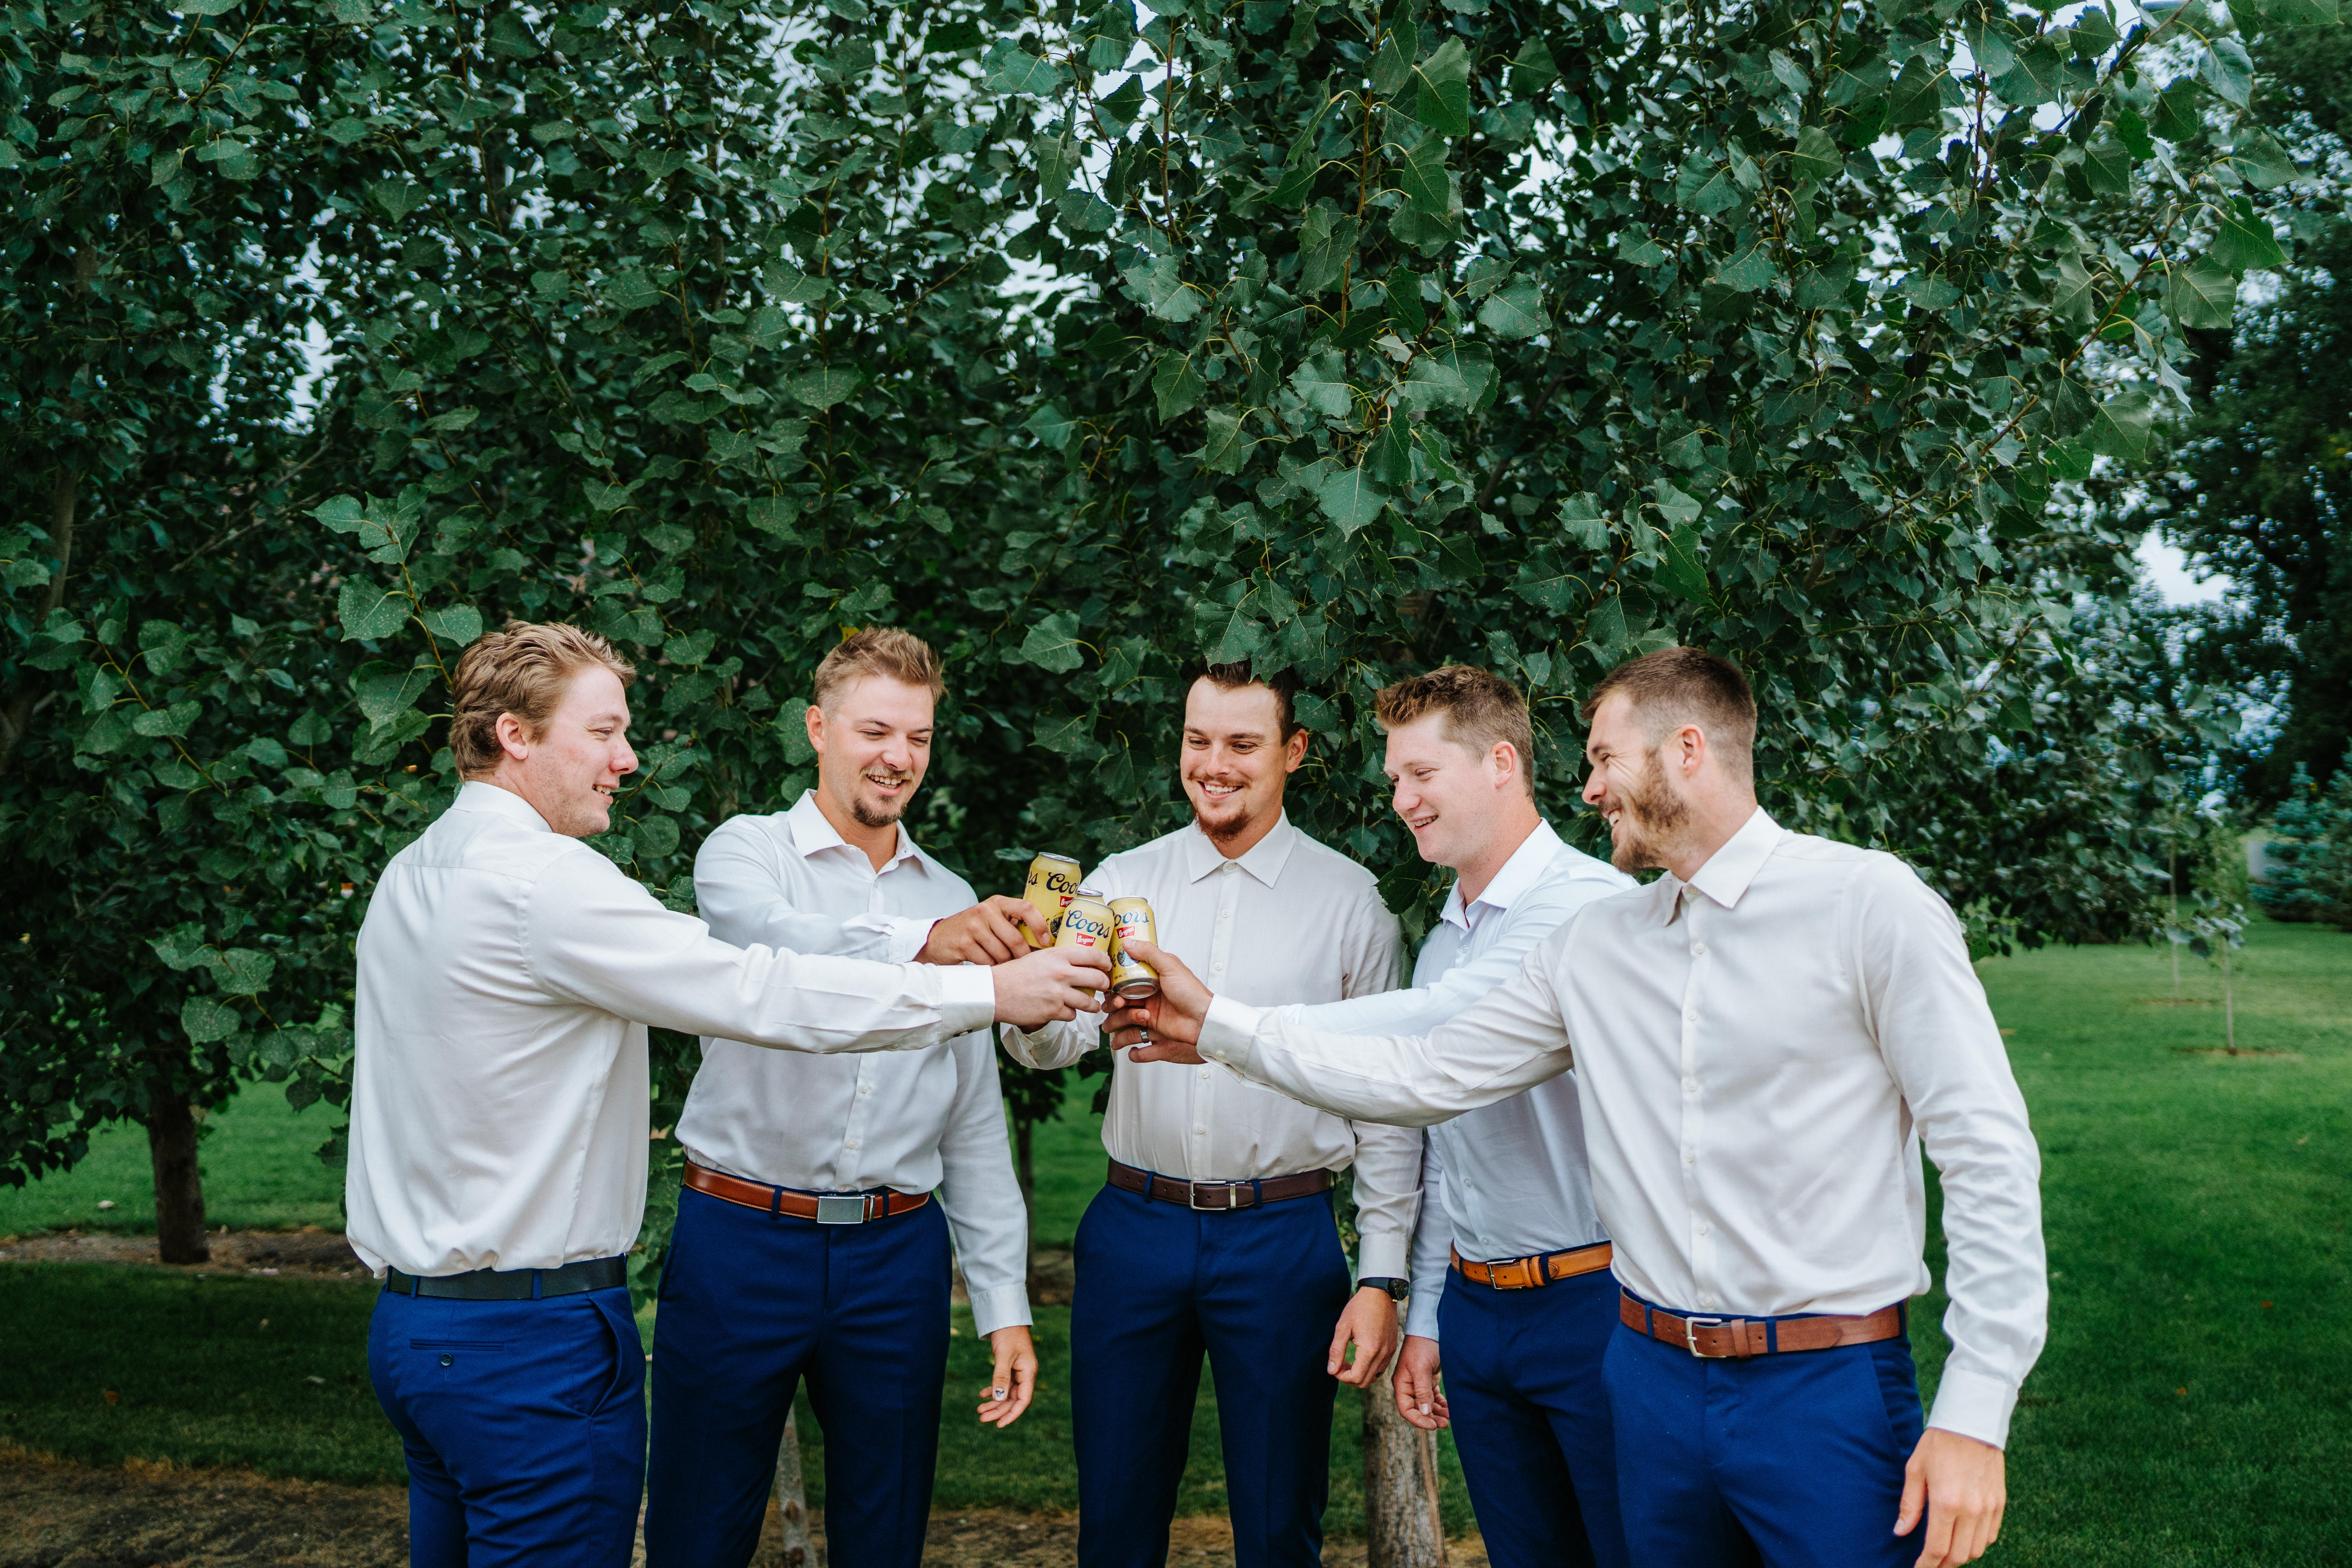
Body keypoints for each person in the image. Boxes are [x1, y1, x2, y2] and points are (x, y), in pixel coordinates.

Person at [1113, 647, 2046, 1568]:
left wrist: (1976, 1405)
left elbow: (1987, 1155)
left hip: (1824, 1378)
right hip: (1649, 1379)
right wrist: (1227, 1027)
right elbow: (1432, 1063)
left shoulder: (1866, 902)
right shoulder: (1603, 943)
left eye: (1604, 759)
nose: (1590, 787)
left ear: (1687, 751)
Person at [347, 621, 1108, 1568]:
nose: (627, 759)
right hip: (535, 1342)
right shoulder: (554, 885)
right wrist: (982, 988)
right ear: (516, 734)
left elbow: (972, 1116)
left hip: (420, 1328)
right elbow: (761, 984)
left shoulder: (411, 872)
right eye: (605, 732)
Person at [998, 662, 1420, 1568]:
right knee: (1113, 1515)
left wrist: (1381, 1276)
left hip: (1283, 1237)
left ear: (1293, 751)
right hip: (1133, 1228)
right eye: (1198, 741)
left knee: (1278, 1524)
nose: (1215, 764)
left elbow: (1386, 1109)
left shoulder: (1353, 904)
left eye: (1241, 743)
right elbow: (1062, 1042)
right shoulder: (1119, 883)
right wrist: (1025, 1006)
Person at [645, 628, 1051, 1568]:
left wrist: (1004, 1301)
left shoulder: (951, 895)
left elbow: (975, 1120)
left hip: (894, 1254)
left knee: (887, 1534)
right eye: (875, 729)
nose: (898, 757)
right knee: (697, 1532)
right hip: (740, 1239)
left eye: (918, 736)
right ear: (817, 727)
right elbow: (784, 956)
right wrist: (927, 948)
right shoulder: (743, 856)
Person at [1256, 665, 1636, 1568]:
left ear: (1501, 762)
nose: (1402, 799)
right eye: (1395, 779)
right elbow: (1440, 1154)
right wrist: (1428, 1311)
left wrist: (1232, 1029)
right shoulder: (1441, 942)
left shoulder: (1589, 910)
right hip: (1479, 1311)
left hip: (1597, 1303)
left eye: (1421, 774)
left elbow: (1437, 1035)